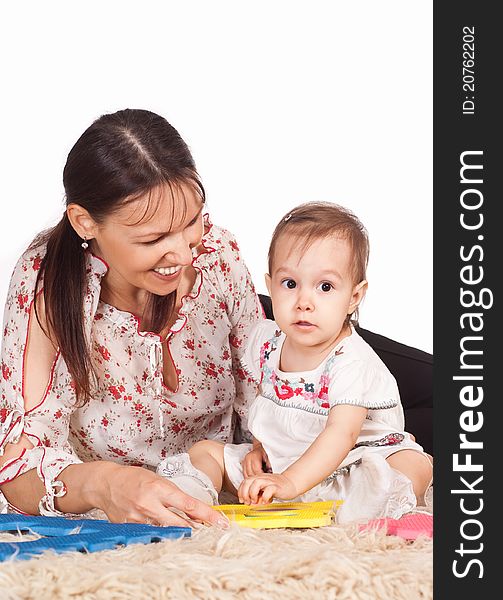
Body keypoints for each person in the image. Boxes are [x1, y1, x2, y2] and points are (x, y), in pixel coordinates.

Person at [0, 108, 264, 528]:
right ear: (85, 222)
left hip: (299, 334)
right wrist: (104, 484)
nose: (183, 253)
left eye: (192, 221)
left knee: (389, 414)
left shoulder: (215, 256)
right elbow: (17, 468)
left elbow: (267, 394)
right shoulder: (46, 287)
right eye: (153, 238)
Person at [163, 202, 433, 523]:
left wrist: (289, 482)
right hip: (283, 461)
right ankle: (188, 498)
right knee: (205, 452)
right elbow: (267, 403)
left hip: (349, 461)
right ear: (270, 285)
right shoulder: (267, 342)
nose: (304, 302)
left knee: (412, 467)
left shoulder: (351, 361)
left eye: (325, 287)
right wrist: (259, 450)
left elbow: (341, 434)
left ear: (354, 297)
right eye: (290, 284)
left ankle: (355, 507)